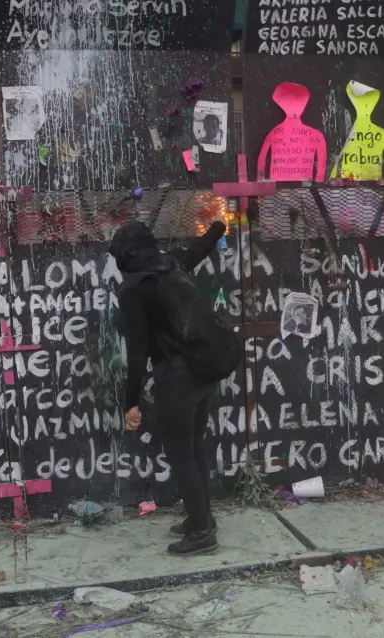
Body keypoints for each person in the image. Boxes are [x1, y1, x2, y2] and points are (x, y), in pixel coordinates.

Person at [109, 219, 226, 556]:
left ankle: (201, 533)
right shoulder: (171, 266)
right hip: (203, 369)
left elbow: (138, 351)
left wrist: (131, 402)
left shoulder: (134, 289)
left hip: (176, 377)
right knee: (195, 448)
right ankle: (202, 519)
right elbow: (197, 251)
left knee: (182, 456)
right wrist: (219, 226)